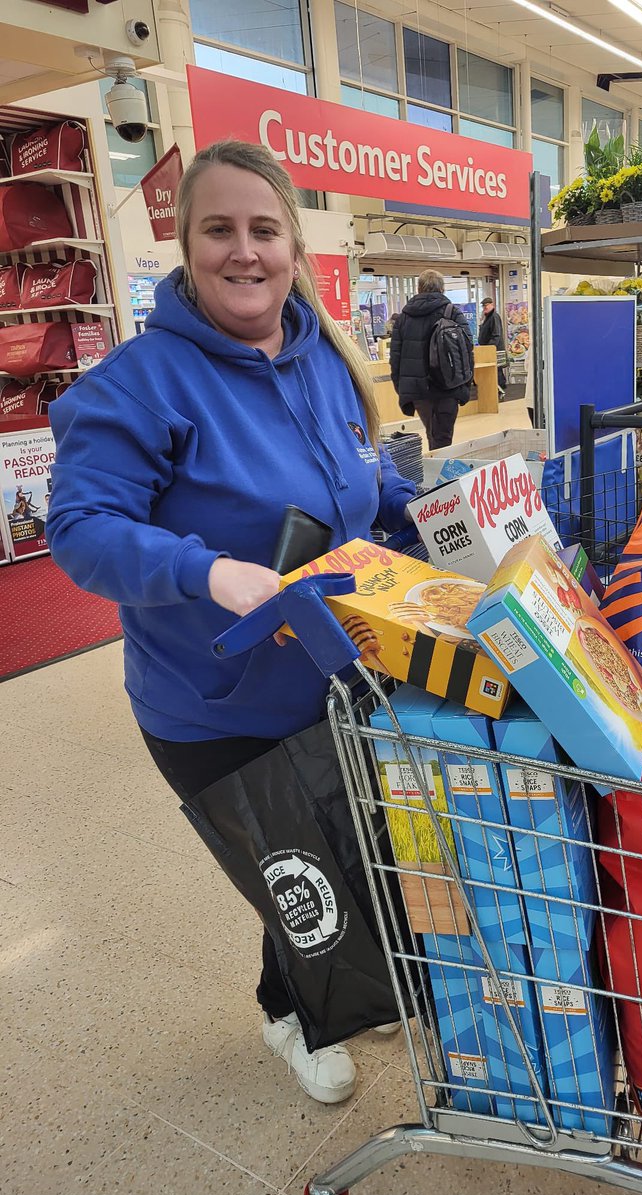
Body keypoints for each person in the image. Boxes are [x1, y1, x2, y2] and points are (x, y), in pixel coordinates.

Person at [46, 139, 416, 1106]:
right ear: (186, 242)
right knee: (297, 873)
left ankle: (309, 990)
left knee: (344, 850)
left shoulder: (322, 357)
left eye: (264, 229)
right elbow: (81, 532)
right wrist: (209, 572)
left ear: (294, 245)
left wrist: (435, 506)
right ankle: (289, 1017)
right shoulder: (142, 381)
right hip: (218, 703)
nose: (243, 252)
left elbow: (358, 484)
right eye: (220, 230)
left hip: (338, 673)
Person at [389, 270, 473, 451]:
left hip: (419, 390)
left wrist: (401, 386)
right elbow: (467, 350)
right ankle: (441, 475)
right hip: (448, 386)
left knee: (433, 434)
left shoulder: (404, 318)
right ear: (442, 288)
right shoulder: (452, 313)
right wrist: (465, 385)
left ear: (419, 288)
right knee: (442, 437)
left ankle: (437, 469)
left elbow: (395, 356)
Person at [478, 295, 506, 396]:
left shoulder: (494, 317)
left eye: (487, 305)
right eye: (483, 306)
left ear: (492, 305)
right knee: (495, 370)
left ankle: (500, 390)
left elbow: (496, 335)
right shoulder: (487, 317)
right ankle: (497, 390)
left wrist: (489, 348)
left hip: (494, 350)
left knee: (496, 371)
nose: (485, 307)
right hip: (489, 350)